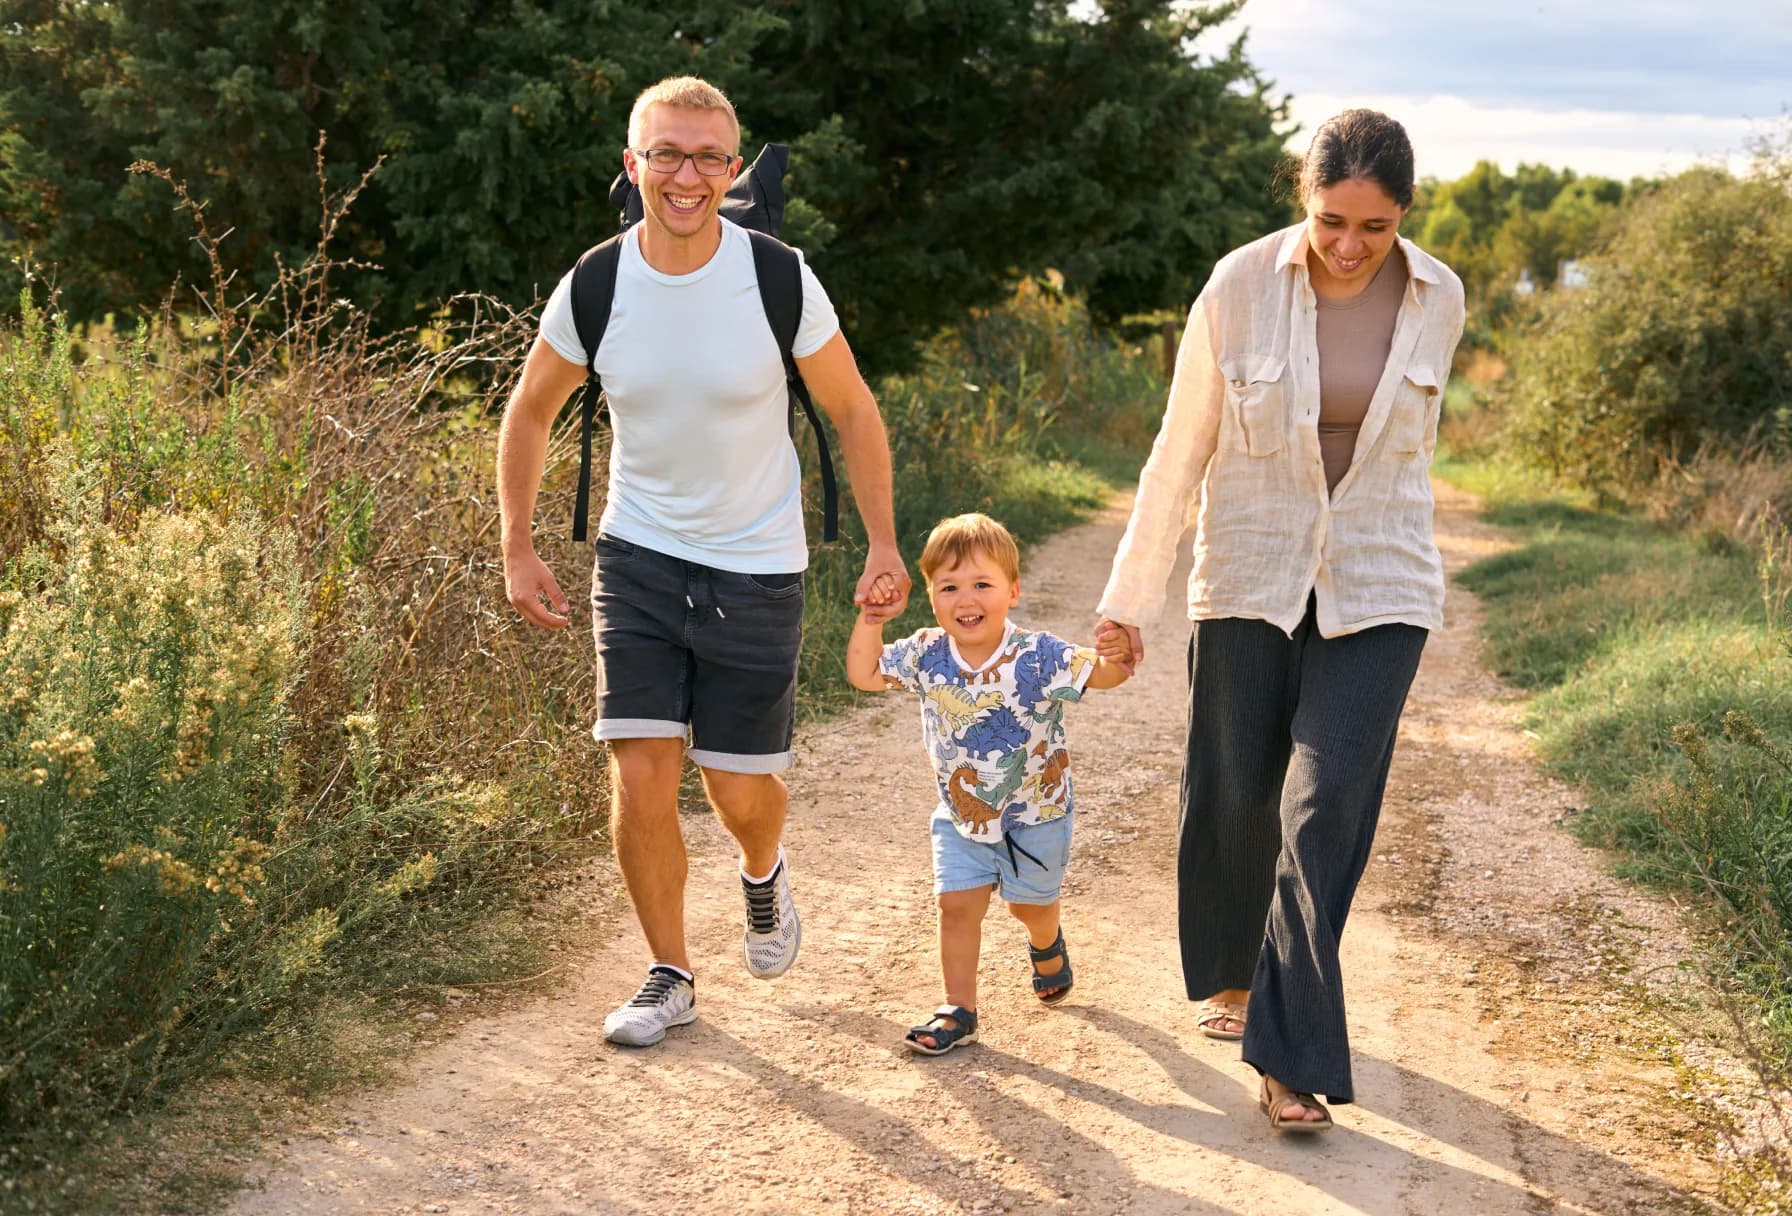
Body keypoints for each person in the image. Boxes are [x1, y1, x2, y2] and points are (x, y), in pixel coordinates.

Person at [498, 76, 910, 1048]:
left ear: (731, 169)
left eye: (708, 157)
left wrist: (884, 542)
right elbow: (529, 409)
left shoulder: (777, 276)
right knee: (640, 769)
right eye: (667, 155)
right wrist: (516, 544)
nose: (686, 176)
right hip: (637, 556)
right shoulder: (596, 283)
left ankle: (762, 873)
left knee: (737, 787)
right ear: (632, 164)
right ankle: (670, 973)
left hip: (756, 565)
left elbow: (852, 408)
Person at [1095, 110, 1465, 1130]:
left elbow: (1411, 453)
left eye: (1375, 227)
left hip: (1381, 583)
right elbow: (1179, 452)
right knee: (1237, 793)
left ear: (1404, 214)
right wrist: (1128, 603)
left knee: (1323, 807)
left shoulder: (1439, 297)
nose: (1349, 246)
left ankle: (1287, 1054)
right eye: (1330, 220)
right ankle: (1233, 972)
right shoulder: (1238, 287)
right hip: (1250, 574)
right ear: (1303, 198)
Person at [846, 513, 1131, 1055]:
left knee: (1030, 907)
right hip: (962, 815)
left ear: (1013, 591)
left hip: (1038, 813)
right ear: (931, 595)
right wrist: (871, 620)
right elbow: (865, 674)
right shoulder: (926, 653)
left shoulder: (1038, 655)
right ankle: (958, 1009)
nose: (966, 599)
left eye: (982, 584)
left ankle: (1045, 940)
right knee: (956, 905)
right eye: (949, 587)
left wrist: (1118, 651)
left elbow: (1102, 673)